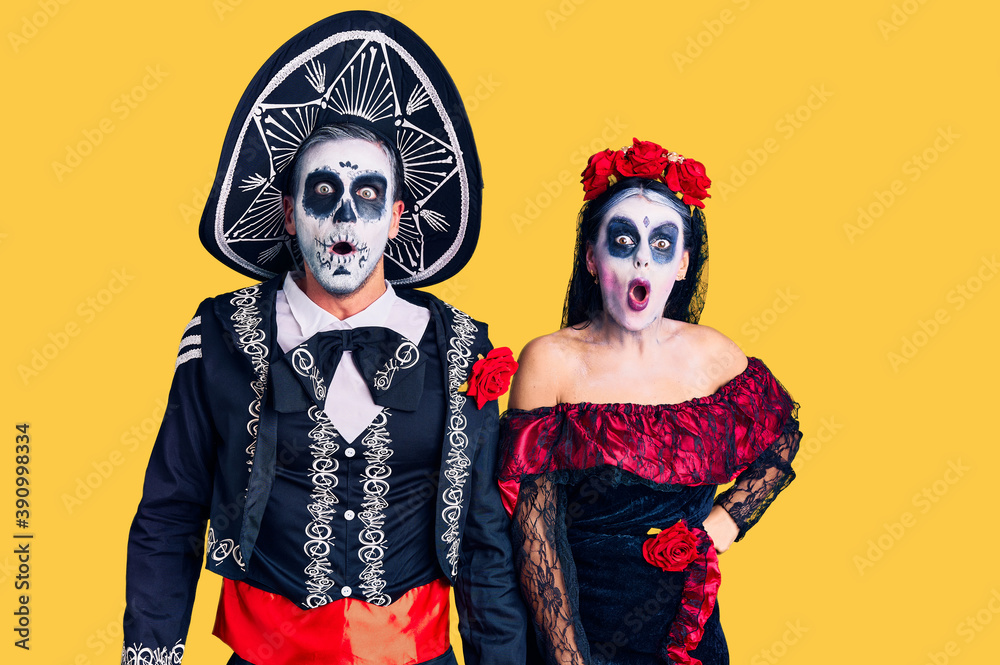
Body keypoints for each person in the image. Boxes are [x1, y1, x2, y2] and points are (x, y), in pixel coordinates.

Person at [122, 12, 526, 665]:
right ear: (290, 211)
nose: (344, 215)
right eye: (323, 191)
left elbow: (483, 541)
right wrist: (148, 656)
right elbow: (170, 512)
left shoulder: (459, 348)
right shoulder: (222, 334)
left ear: (396, 218)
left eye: (367, 194)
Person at [498, 139, 802, 665]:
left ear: (682, 264)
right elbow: (537, 532)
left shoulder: (713, 354)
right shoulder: (550, 362)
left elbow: (782, 439)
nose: (643, 257)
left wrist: (721, 526)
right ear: (592, 259)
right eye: (623, 240)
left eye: (661, 245)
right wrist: (570, 658)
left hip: (689, 627)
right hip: (580, 628)